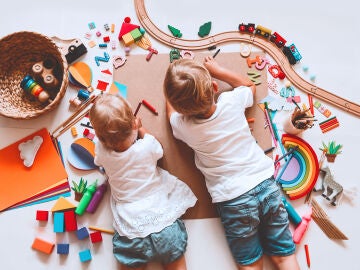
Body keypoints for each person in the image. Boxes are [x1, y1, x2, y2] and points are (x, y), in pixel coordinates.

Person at [163, 57, 300, 270]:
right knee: (284, 257)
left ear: (183, 110)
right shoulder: (231, 102)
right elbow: (249, 86)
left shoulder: (184, 127)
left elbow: (171, 114)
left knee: (251, 265)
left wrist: (171, 93)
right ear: (215, 87)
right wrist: (217, 70)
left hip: (233, 200)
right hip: (265, 185)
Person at [89, 93, 197, 270]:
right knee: (176, 263)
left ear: (101, 138)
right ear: (133, 124)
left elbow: (99, 147)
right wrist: (141, 129)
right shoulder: (146, 147)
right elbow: (159, 149)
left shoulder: (102, 152)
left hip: (131, 228)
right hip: (162, 219)